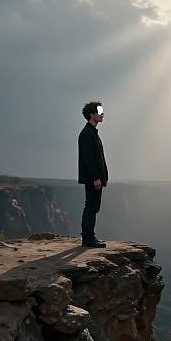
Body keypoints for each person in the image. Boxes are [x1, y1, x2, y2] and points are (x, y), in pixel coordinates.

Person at [78, 100, 109, 247]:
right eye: (100, 112)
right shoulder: (87, 134)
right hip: (93, 179)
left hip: (96, 179)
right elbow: (88, 159)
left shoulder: (91, 133)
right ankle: (88, 238)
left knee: (93, 207)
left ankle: (90, 237)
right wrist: (96, 178)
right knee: (91, 207)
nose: (103, 115)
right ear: (92, 114)